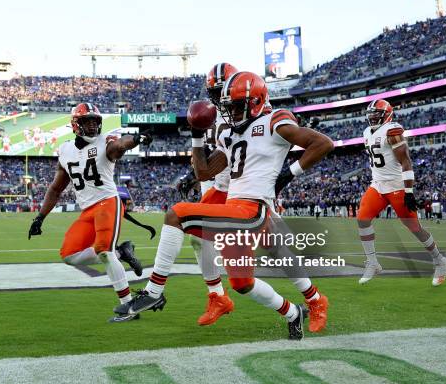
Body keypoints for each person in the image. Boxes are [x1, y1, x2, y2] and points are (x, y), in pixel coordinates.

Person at [116, 72, 333, 340]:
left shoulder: (274, 121)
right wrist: (196, 135)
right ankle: (293, 313)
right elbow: (204, 172)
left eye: (235, 106)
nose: (230, 111)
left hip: (253, 212)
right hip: (234, 209)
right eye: (227, 106)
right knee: (243, 284)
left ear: (255, 101)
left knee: (177, 214)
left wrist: (290, 172)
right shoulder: (230, 133)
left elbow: (322, 143)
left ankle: (153, 292)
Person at [27, 103, 152, 322]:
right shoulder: (66, 150)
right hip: (87, 210)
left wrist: (135, 139)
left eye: (95, 121)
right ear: (76, 124)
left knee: (104, 250)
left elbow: (118, 147)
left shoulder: (106, 140)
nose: (93, 125)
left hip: (107, 202)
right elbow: (56, 189)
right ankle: (122, 253)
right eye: (87, 121)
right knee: (69, 255)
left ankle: (128, 307)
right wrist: (40, 217)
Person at [357, 99, 446, 286]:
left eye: (376, 114)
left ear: (387, 115)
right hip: (378, 184)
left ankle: (439, 260)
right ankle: (373, 262)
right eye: (371, 114)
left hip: (397, 185)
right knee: (362, 218)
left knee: (414, 228)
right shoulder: (367, 132)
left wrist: (409, 191)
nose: (372, 117)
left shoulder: (393, 130)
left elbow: (406, 161)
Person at [176, 62, 238, 326]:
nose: (217, 96)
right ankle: (217, 295)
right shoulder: (210, 113)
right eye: (213, 91)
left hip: (239, 187)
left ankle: (310, 299)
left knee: (269, 251)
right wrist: (193, 176)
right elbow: (206, 154)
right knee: (199, 239)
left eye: (222, 89)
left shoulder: (244, 113)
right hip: (214, 185)